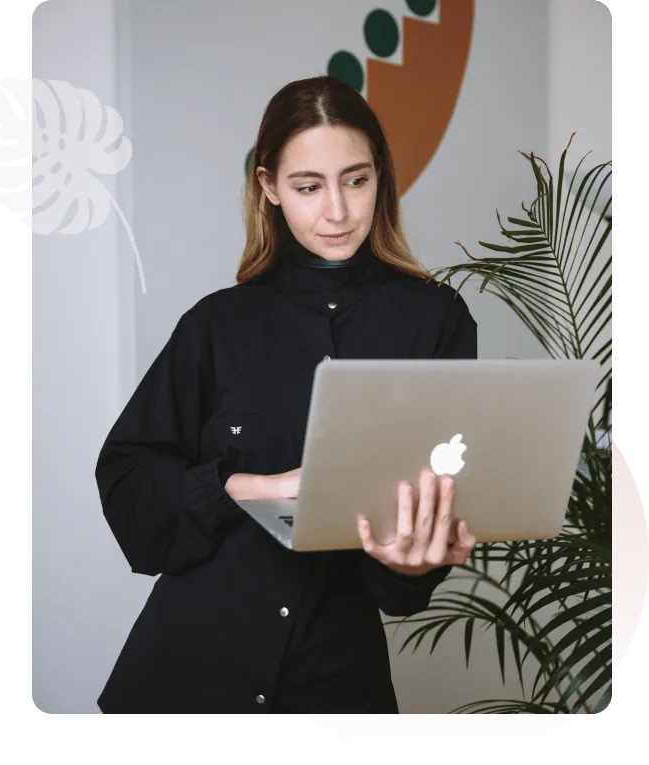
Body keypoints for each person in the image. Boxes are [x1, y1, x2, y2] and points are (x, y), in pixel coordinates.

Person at [95, 75, 478, 721]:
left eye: (355, 180)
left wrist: (413, 564)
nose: (337, 210)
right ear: (269, 187)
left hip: (338, 687)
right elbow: (130, 484)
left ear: (380, 177)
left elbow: (419, 540)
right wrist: (246, 487)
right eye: (308, 187)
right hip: (181, 681)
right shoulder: (217, 324)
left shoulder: (435, 319)